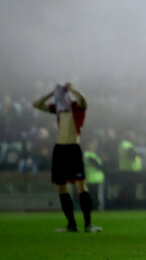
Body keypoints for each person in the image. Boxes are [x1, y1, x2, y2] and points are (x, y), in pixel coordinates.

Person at [32, 83, 102, 233]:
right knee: (61, 186)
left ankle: (88, 224)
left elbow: (83, 99)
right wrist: (52, 93)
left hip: (73, 148)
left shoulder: (77, 107)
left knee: (81, 185)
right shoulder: (58, 109)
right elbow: (37, 104)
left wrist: (71, 89)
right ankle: (71, 224)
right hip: (59, 149)